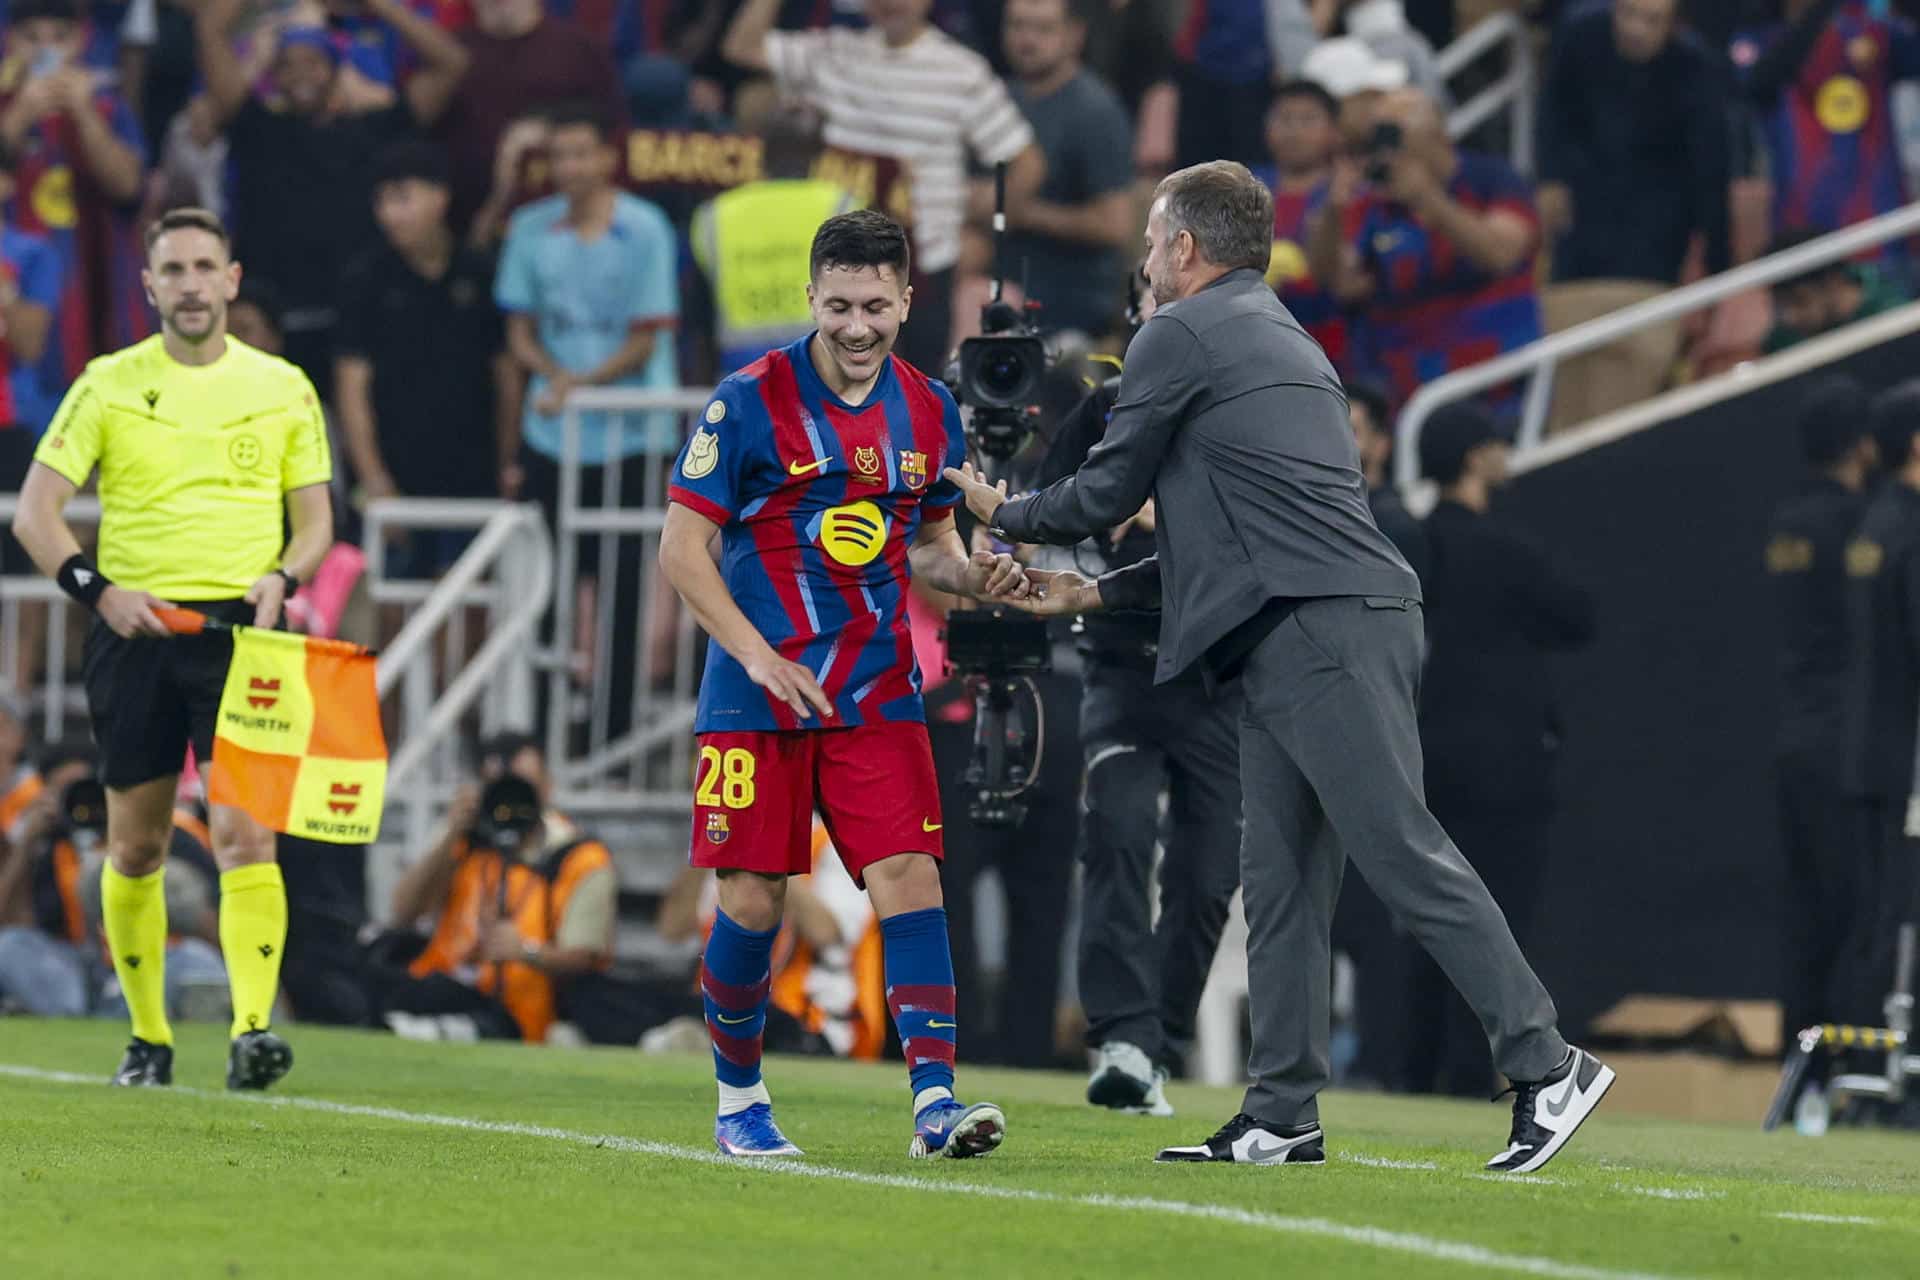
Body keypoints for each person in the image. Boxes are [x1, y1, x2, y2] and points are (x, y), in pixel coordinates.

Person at [946, 161, 1612, 1171]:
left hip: (1319, 627)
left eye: (1152, 239)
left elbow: (1105, 491)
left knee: (1399, 851)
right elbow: (1226, 538)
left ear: (1184, 248)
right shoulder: (1284, 336)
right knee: (1283, 882)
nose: (1144, 259)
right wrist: (1089, 594)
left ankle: (1546, 1061)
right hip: (1299, 624)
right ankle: (1281, 1111)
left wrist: (1004, 510)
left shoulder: (1179, 331)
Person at [657, 210, 1031, 1160]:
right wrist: (756, 655)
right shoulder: (747, 401)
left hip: (876, 688)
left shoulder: (930, 409)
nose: (857, 326)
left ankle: (935, 1104)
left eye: (874, 306)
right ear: (811, 299)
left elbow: (931, 546)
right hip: (757, 693)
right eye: (838, 306)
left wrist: (977, 576)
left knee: (911, 876)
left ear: (905, 300)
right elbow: (682, 549)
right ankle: (740, 1102)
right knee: (753, 898)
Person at [10, 206, 334, 1090]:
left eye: (204, 267)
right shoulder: (107, 383)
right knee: (136, 849)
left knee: (244, 836)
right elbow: (35, 514)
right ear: (149, 286)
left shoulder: (283, 386)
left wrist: (285, 576)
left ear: (231, 280)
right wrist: (99, 592)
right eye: (174, 271)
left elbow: (315, 523)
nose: (191, 285)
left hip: (242, 636)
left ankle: (252, 1032)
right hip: (136, 632)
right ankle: (148, 1039)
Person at [1034, 268, 1240, 1114]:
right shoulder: (1103, 412)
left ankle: (1159, 1042)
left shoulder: (1242, 406)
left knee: (1208, 877)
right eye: (1157, 303)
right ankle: (1122, 1037)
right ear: (1136, 318)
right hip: (1123, 663)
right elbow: (1045, 517)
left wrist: (1170, 514)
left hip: (1219, 675)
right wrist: (1095, 518)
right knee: (1117, 832)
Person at [1404, 403, 1594, 1097]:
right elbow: (1580, 615)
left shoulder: (1412, 544)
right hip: (1506, 765)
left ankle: (1414, 1066)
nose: (1504, 453)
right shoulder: (1507, 552)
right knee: (1495, 917)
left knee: (1426, 910)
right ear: (1473, 457)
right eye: (1494, 443)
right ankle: (1470, 1066)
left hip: (1426, 756)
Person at [722, 0, 1043, 375]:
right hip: (839, 262)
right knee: (833, 394)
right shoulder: (833, 53)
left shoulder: (961, 71)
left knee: (911, 396)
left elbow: (1026, 164)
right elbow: (741, 47)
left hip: (922, 273)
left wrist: (976, 224)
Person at [496, 101, 678, 741]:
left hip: (632, 435)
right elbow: (518, 333)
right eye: (559, 155)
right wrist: (554, 374)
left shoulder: (647, 228)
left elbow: (647, 339)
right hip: (551, 432)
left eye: (580, 153)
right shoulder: (528, 228)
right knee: (545, 586)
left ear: (607, 157)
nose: (569, 167)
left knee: (625, 589)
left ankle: (614, 731)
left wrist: (578, 384)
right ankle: (543, 732)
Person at [192, 0, 470, 385]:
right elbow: (210, 30)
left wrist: (377, 5)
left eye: (313, 62)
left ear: (338, 68)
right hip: (278, 321)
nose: (300, 75)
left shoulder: (377, 129)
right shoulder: (256, 128)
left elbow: (452, 63)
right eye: (286, 65)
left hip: (364, 320)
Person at [1307, 87, 1542, 411]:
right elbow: (1341, 284)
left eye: (1395, 137)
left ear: (1437, 136)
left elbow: (1501, 254)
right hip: (1405, 392)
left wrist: (1427, 199)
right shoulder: (1378, 201)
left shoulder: (1492, 178)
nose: (1387, 151)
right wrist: (1333, 212)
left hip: (1497, 382)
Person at [336, 140, 512, 573]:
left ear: (440, 196)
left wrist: (509, 463)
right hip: (396, 475)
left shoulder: (481, 272)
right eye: (381, 201)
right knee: (392, 595)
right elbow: (351, 387)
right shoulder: (364, 279)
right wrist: (373, 478)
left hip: (474, 475)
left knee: (473, 594)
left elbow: (507, 377)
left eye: (402, 198)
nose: (389, 214)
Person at [1767, 377, 1878, 1044]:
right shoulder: (1860, 525)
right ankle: (1843, 1060)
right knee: (1854, 910)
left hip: (1796, 731)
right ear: (1861, 443)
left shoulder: (1788, 523)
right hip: (1846, 737)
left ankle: (1799, 1060)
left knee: (1806, 908)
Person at [381, 732, 617, 1043]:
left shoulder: (577, 855)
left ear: (547, 787)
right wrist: (452, 832)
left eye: (522, 786)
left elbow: (584, 958)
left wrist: (526, 951)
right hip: (438, 982)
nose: (511, 800)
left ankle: (426, 1028)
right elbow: (403, 912)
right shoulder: (467, 838)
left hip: (517, 1009)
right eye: (500, 786)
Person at [0, 0, 148, 383]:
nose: (45, 51)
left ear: (80, 41)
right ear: (10, 42)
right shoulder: (5, 107)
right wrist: (19, 117)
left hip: (96, 287)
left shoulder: (107, 106)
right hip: (18, 297)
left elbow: (128, 186)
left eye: (58, 38)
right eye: (32, 39)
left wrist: (84, 114)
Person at [1536, 0, 1730, 287]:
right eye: (1628, 13)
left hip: (1657, 216)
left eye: (1652, 20)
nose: (1636, 29)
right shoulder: (1580, 35)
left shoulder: (1696, 67)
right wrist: (1550, 177)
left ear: (1673, 26)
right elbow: (1553, 111)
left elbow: (1710, 166)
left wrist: (1716, 258)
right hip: (1583, 200)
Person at [1843, 382, 1920, 1029]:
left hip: (1871, 748)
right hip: (1908, 764)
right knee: (1901, 919)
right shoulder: (1912, 529)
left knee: (1880, 914)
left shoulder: (1875, 522)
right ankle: (1886, 1063)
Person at [1733, 0, 1920, 255]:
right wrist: (1823, 9)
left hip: (1880, 228)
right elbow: (1758, 82)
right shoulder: (1754, 40)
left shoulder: (1871, 30)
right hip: (1800, 230)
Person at [1000, 0, 1135, 339]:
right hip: (996, 286)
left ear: (1075, 35)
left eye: (1043, 29)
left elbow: (1116, 223)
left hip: (1070, 302)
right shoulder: (998, 98)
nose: (1027, 39)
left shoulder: (1096, 111)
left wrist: (1023, 212)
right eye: (1017, 26)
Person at [434, 0, 627, 236]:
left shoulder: (581, 50)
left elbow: (615, 135)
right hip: (466, 225)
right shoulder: (447, 54)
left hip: (569, 222)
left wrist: (552, 134)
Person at [689, 116, 855, 378]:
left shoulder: (716, 214)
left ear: (762, 156)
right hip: (823, 371)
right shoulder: (841, 206)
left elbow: (698, 313)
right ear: (815, 158)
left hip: (743, 374)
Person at [1253, 80, 1351, 373]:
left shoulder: (1350, 191)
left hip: (1333, 345)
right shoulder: (1242, 185)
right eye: (1284, 119)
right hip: (1257, 339)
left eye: (1308, 120)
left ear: (1334, 131)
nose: (1294, 131)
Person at [1763, 227, 1911, 354]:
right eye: (1780, 305)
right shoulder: (1783, 338)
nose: (1790, 316)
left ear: (1834, 281)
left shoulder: (1895, 316)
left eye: (1799, 300)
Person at [1344, 378, 1425, 578]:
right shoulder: (1321, 513)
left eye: (1351, 431)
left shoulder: (1396, 527)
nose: (1337, 441)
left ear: (1381, 444)